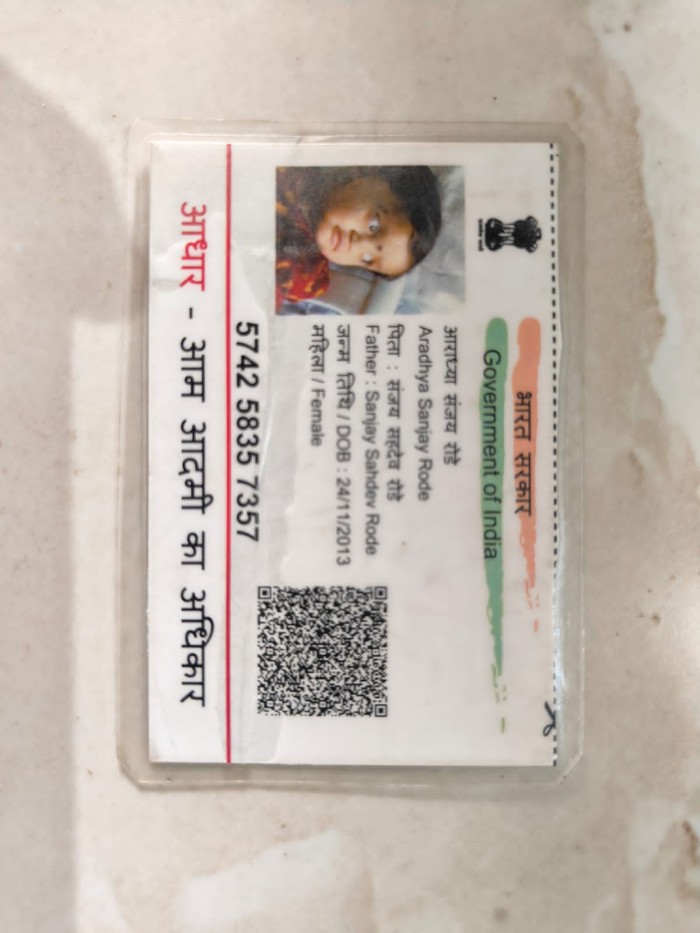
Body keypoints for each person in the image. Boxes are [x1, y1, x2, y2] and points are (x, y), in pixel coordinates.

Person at [276, 165, 442, 312]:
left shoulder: (304, 276)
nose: (357, 244)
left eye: (367, 259)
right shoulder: (296, 168)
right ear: (363, 176)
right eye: (373, 226)